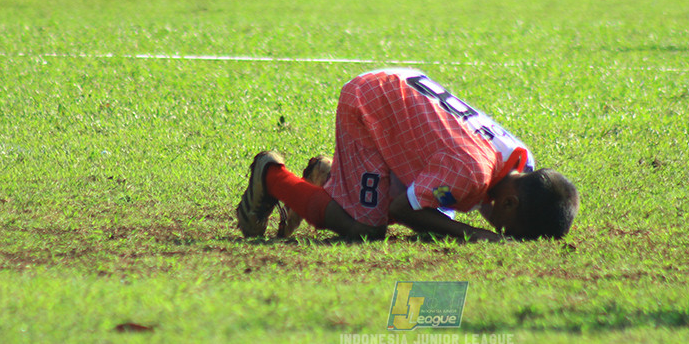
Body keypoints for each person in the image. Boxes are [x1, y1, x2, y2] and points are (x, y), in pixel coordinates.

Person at [235, 68, 579, 242]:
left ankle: (330, 176)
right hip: (370, 102)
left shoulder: (522, 163)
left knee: (431, 210)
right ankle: (271, 175)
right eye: (509, 231)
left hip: (404, 95)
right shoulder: (470, 173)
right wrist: (478, 235)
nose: (501, 234)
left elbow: (481, 199)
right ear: (510, 204)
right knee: (367, 228)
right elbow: (405, 209)